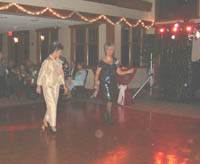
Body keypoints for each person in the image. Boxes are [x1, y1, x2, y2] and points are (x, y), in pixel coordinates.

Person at [94, 43, 134, 125]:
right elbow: (97, 73)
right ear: (105, 50)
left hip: (113, 82)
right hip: (104, 82)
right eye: (108, 49)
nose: (110, 51)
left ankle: (106, 114)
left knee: (112, 100)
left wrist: (128, 71)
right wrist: (96, 84)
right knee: (109, 100)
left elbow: (119, 72)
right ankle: (109, 117)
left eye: (112, 49)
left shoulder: (116, 61)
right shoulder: (102, 61)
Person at [36, 42, 69, 133]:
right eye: (60, 52)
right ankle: (53, 125)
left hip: (56, 86)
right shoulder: (47, 61)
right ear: (55, 51)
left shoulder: (58, 61)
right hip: (47, 85)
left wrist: (64, 85)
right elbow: (41, 73)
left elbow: (61, 74)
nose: (61, 54)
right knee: (52, 105)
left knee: (52, 105)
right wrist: (39, 86)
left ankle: (45, 121)